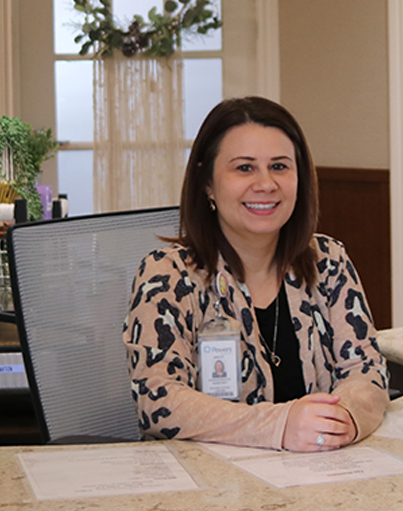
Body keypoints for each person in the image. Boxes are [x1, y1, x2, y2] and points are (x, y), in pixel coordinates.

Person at [123, 96, 389, 452]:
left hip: (321, 478)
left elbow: (367, 372)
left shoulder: (328, 260)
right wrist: (279, 426)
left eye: (279, 166)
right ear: (207, 183)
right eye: (244, 168)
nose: (265, 184)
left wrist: (345, 421)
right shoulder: (166, 275)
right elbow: (159, 402)